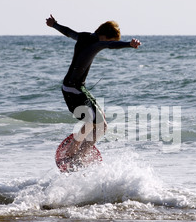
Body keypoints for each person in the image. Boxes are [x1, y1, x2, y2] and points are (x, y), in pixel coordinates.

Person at [46, 14, 141, 162]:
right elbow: (111, 45)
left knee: (102, 125)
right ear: (104, 37)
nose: (108, 43)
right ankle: (72, 154)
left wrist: (55, 25)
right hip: (73, 89)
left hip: (77, 88)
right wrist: (129, 44)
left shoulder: (83, 36)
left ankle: (80, 153)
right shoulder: (97, 44)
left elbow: (69, 32)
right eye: (110, 40)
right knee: (92, 122)